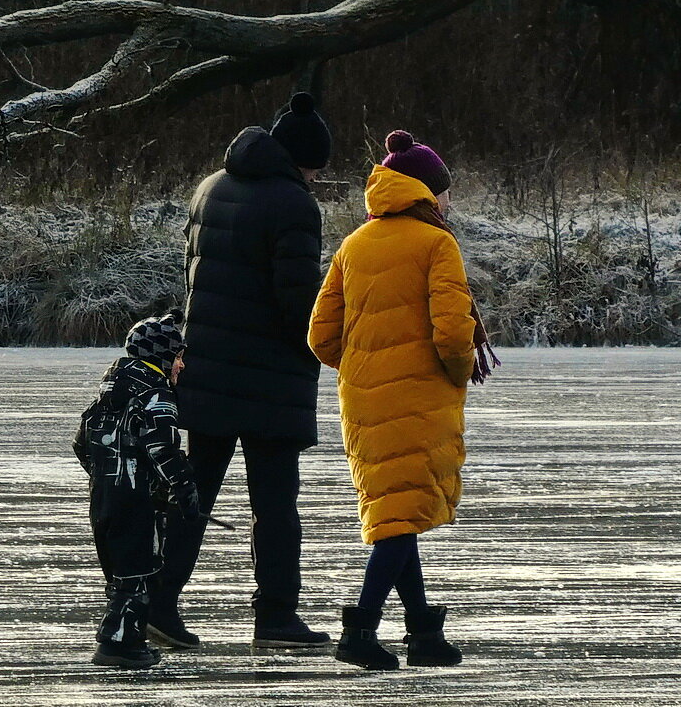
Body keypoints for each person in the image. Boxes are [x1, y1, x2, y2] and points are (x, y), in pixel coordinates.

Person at [308, 129, 499, 670]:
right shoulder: (437, 244)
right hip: (419, 400)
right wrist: (459, 374)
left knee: (398, 514)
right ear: (422, 190)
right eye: (444, 191)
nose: (448, 202)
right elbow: (453, 334)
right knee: (398, 519)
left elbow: (320, 337)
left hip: (363, 401)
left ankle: (422, 634)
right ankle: (360, 631)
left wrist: (365, 367)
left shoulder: (354, 244)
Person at [149, 92, 333, 649]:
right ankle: (275, 614)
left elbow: (193, 277)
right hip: (270, 378)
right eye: (314, 169)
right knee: (274, 504)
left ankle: (157, 601)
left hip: (207, 367)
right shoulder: (293, 205)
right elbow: (298, 302)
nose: (315, 179)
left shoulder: (210, 188)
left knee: (193, 492)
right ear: (301, 160)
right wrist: (327, 344)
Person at [73, 311, 200, 669]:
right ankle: (118, 643)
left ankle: (127, 638)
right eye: (177, 357)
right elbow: (162, 447)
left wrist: (106, 477)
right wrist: (182, 487)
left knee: (120, 574)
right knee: (139, 574)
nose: (181, 366)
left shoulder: (107, 396)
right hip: (136, 501)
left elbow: (81, 444)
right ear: (160, 357)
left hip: (104, 499)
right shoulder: (156, 394)